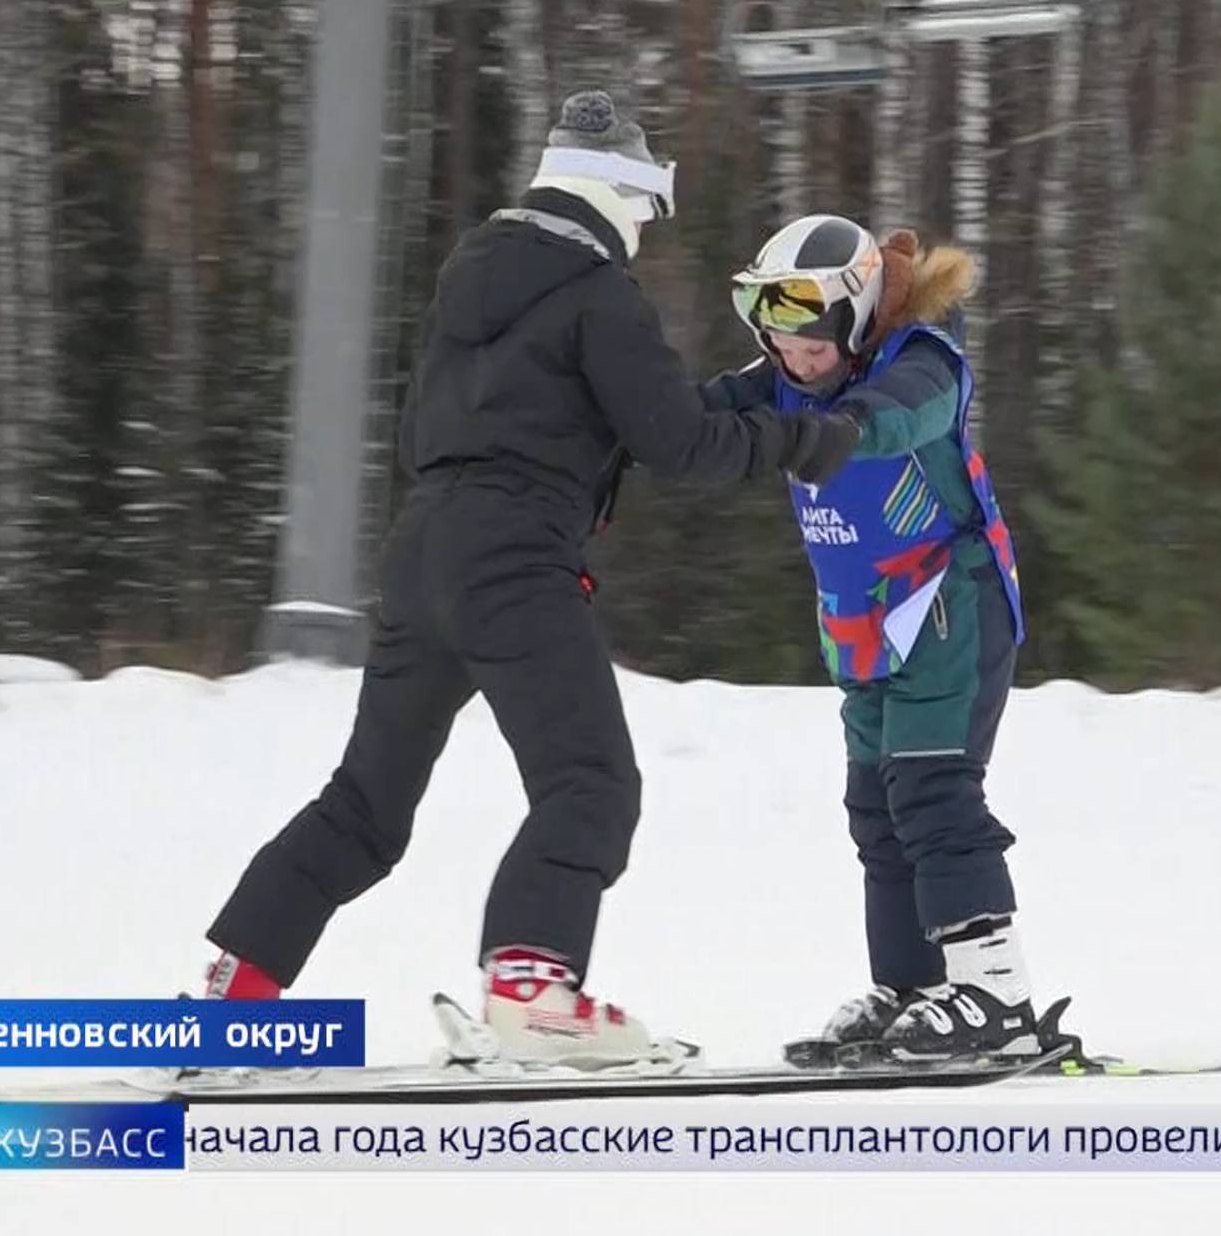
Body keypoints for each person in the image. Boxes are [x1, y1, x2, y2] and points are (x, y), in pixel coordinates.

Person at [194, 93, 860, 1067]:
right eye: (644, 215)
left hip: (422, 551)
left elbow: (467, 428)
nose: (641, 234)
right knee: (590, 782)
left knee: (366, 807)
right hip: (513, 558)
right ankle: (531, 987)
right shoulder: (601, 295)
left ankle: (233, 995)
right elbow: (676, 444)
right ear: (619, 201)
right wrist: (804, 441)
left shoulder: (469, 281)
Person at [701, 216, 1042, 1062]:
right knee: (877, 808)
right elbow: (696, 413)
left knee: (932, 795)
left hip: (949, 610)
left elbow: (889, 420)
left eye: (810, 345)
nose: (794, 361)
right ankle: (915, 987)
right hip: (861, 631)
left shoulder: (923, 363)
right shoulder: (785, 374)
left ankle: (998, 993)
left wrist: (826, 432)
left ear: (852, 323)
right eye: (776, 343)